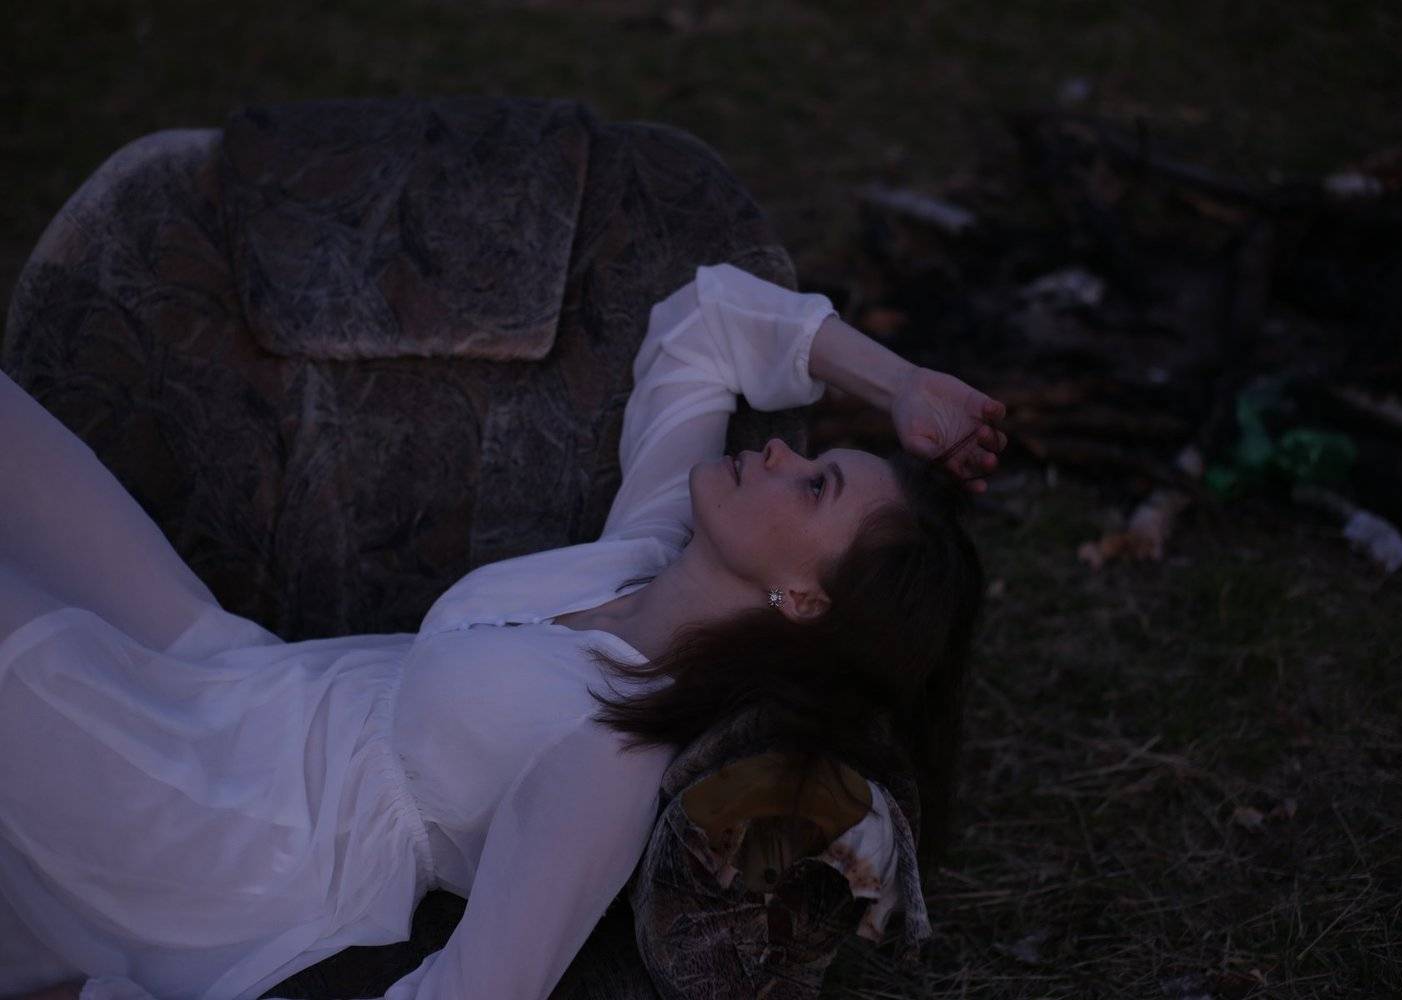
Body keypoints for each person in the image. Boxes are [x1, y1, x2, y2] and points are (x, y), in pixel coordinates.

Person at [0, 262, 1007, 1000]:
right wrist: (900, 383)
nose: (781, 453)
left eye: (815, 485)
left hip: (232, 827)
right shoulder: (647, 550)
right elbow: (704, 322)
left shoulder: (613, 755)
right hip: (236, 682)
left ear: (804, 601)